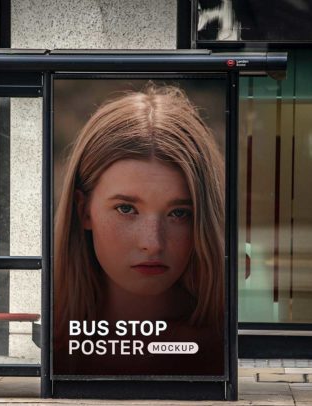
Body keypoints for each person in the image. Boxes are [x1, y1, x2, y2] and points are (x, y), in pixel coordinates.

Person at [54, 84, 225, 376]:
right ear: (84, 211)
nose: (153, 243)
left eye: (179, 213)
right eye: (126, 209)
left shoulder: (217, 347)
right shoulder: (56, 343)